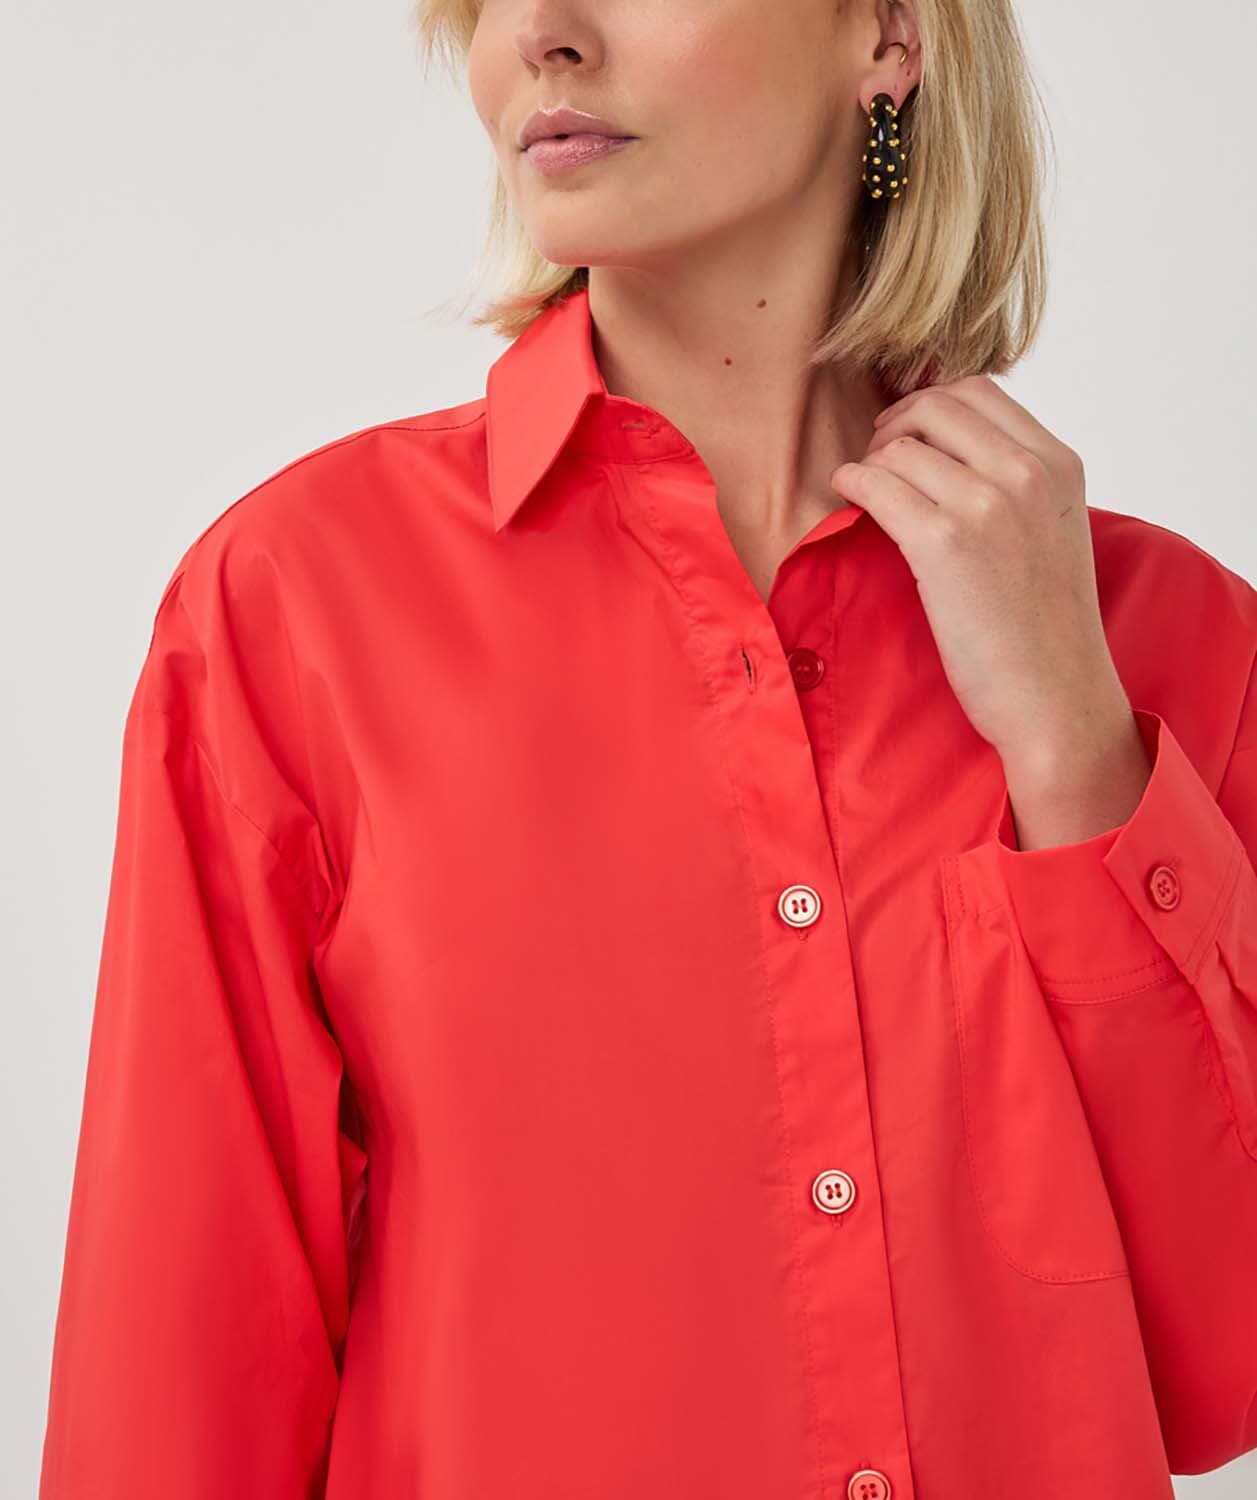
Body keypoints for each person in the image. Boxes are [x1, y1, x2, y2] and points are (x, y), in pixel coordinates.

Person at [38, 1, 1257, 1496]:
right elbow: (175, 1383)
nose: (541, 35)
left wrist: (1076, 754)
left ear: (887, 35)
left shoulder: (1170, 641)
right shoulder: (302, 602)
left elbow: (1225, 1369)